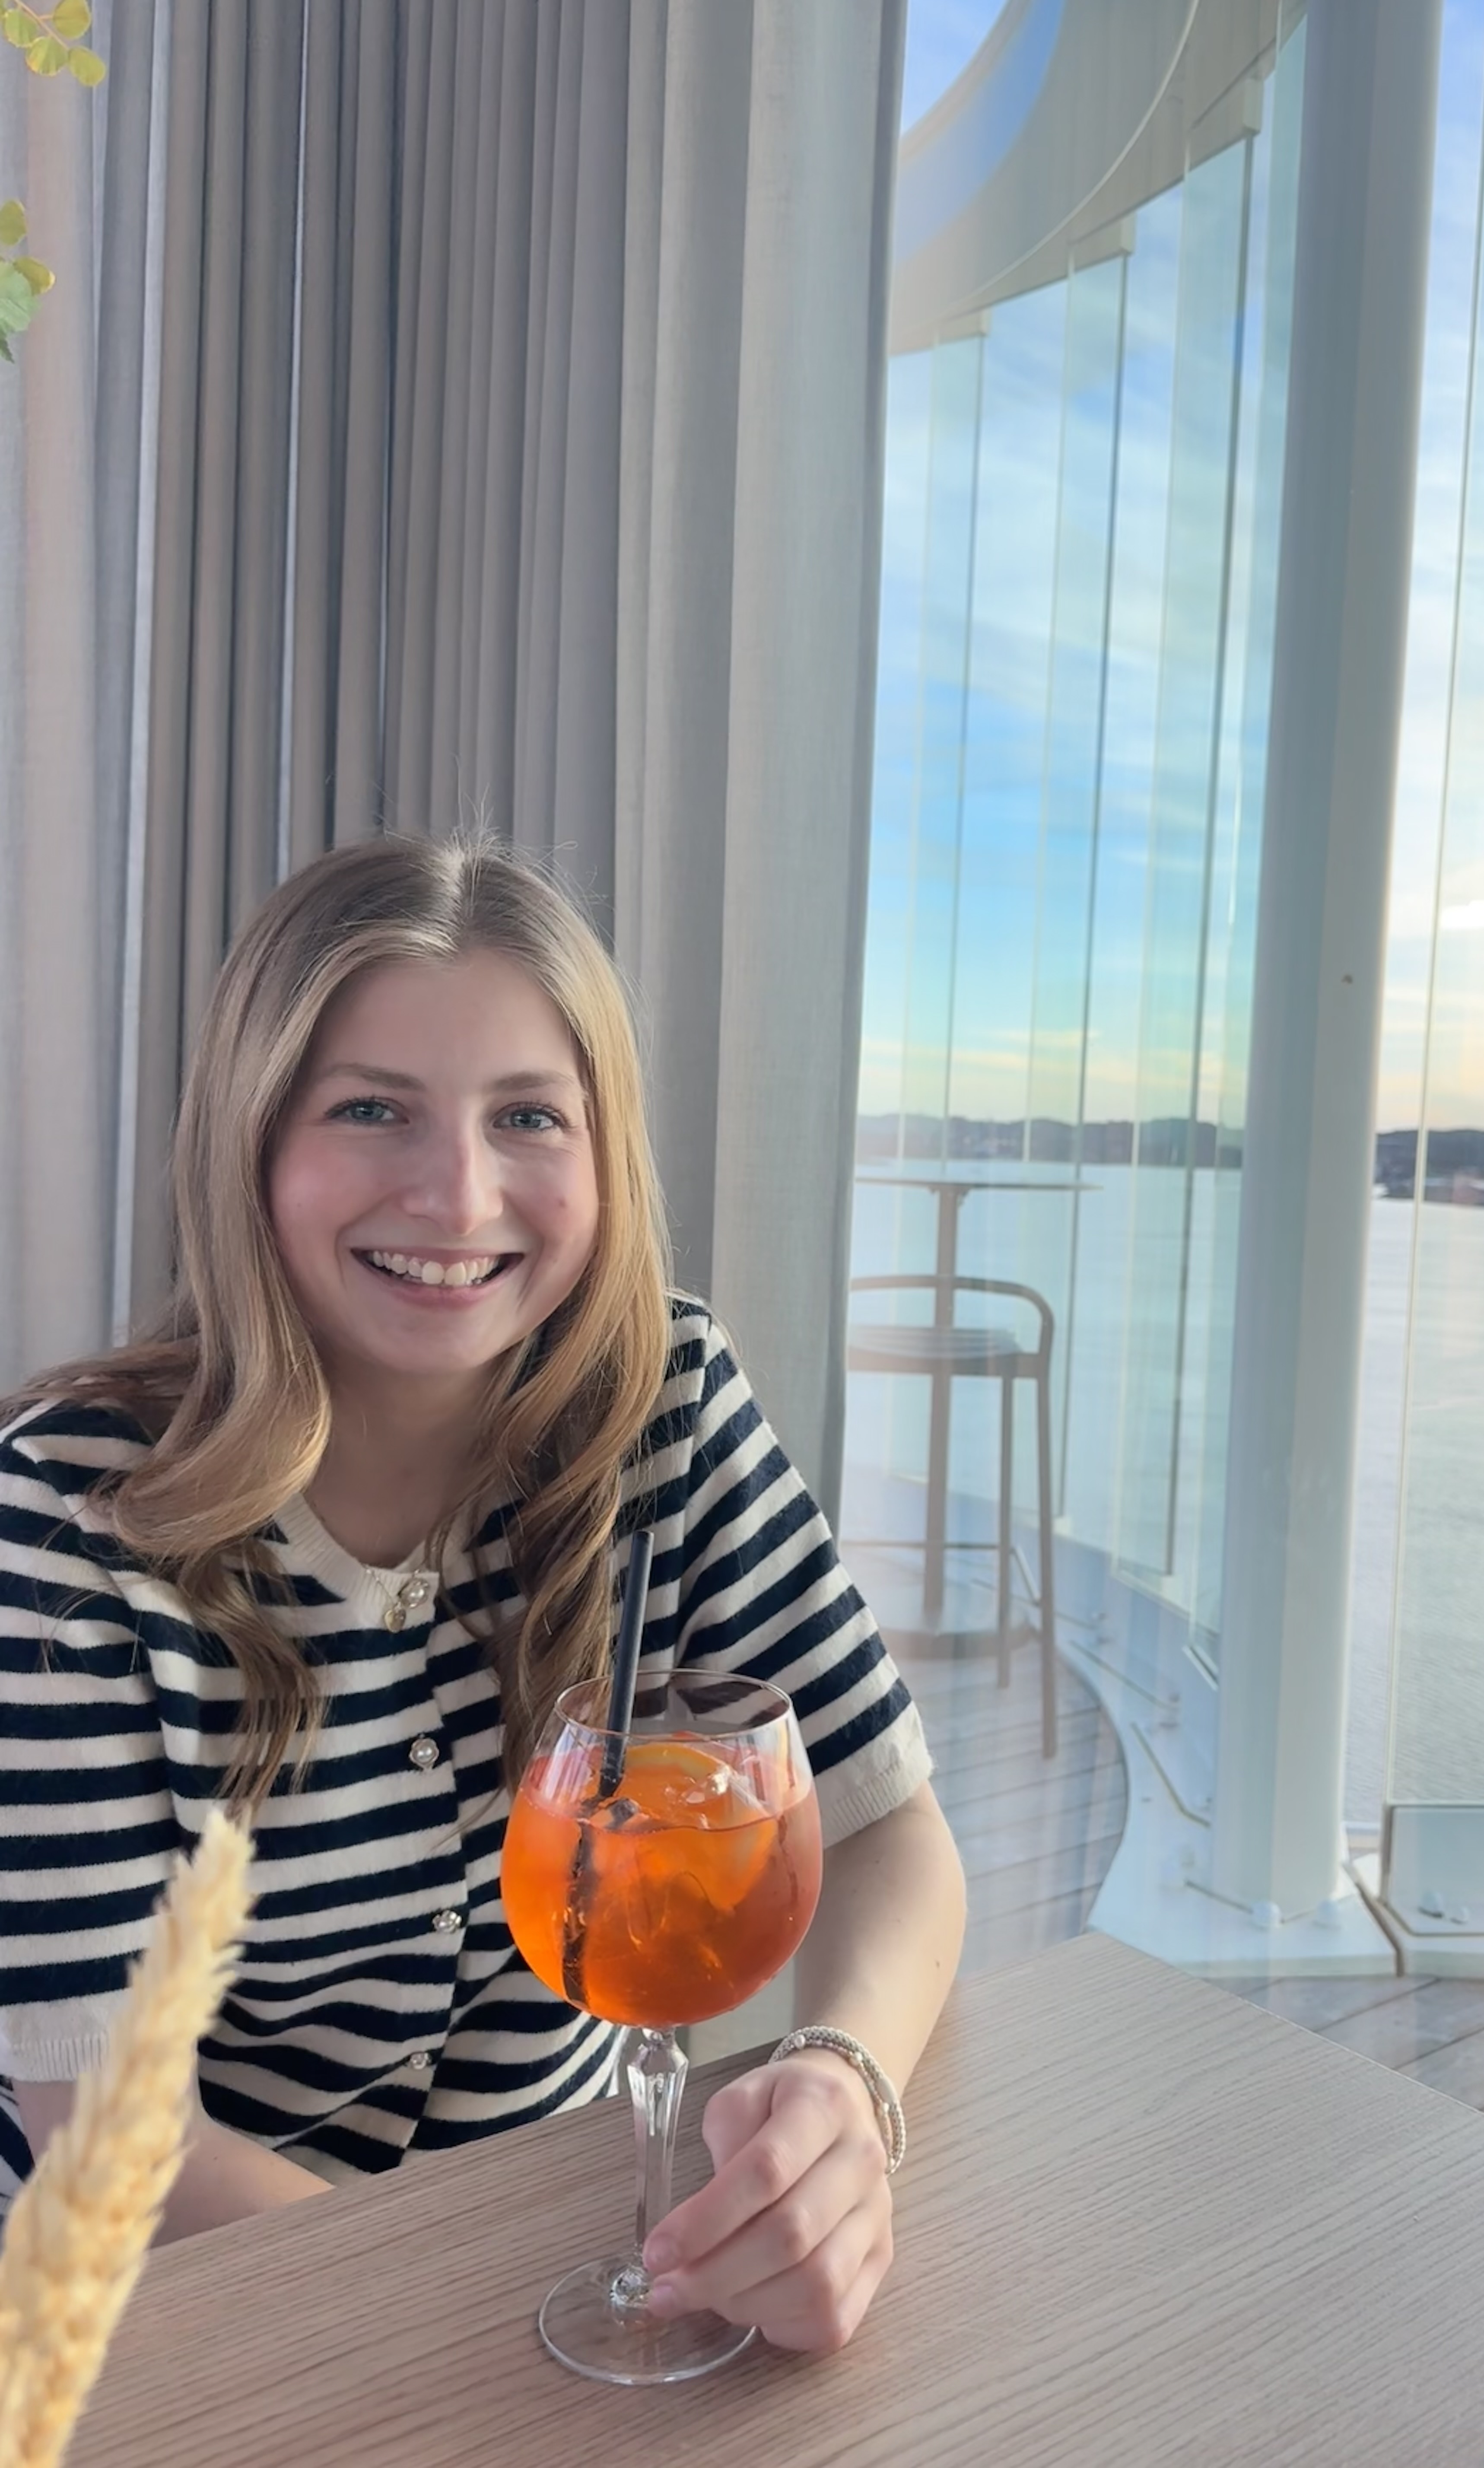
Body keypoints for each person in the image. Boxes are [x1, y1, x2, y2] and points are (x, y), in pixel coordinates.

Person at [0, 834, 965, 2356]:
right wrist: (500, 2327)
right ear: (252, 1142)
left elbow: (886, 1828)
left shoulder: (665, 1406)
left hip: (566, 2252)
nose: (457, 1196)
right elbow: (111, 2131)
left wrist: (844, 2086)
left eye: (527, 1116)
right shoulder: (69, 1520)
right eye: (371, 1108)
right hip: (181, 2321)